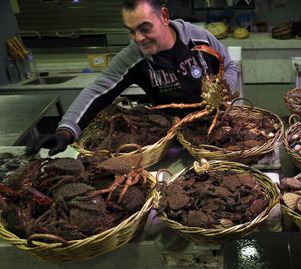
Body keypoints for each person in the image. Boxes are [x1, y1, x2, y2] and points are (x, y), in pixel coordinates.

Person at [26, 0, 238, 156]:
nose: (139, 39)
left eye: (145, 28)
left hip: (214, 128)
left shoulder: (198, 37)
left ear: (164, 16)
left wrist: (224, 88)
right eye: (131, 31)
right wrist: (65, 132)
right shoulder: (132, 56)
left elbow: (228, 64)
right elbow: (97, 91)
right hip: (168, 141)